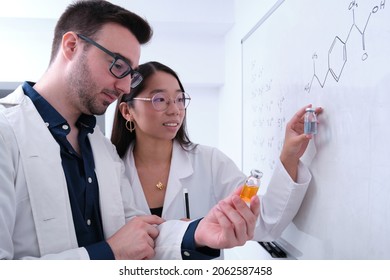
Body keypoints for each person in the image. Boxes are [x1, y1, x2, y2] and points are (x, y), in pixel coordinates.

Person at [0, 0, 260, 260]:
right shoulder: (6, 131)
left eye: (131, 74)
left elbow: (134, 231)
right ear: (71, 46)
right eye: (118, 65)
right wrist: (108, 253)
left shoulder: (101, 148)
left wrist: (198, 232)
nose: (125, 87)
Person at [111, 61, 323, 257]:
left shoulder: (209, 162)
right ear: (127, 111)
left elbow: (265, 221)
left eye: (179, 99)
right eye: (159, 100)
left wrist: (289, 155)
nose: (175, 110)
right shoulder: (109, 170)